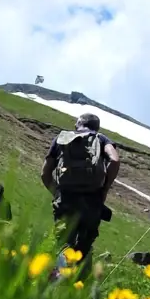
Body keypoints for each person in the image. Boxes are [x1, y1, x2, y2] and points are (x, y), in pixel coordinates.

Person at [41, 112, 120, 278]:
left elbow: (45, 173)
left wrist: (58, 194)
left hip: (65, 199)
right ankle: (77, 285)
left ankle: (54, 282)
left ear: (79, 124)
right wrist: (104, 189)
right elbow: (114, 160)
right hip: (92, 202)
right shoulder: (101, 139)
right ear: (96, 127)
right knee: (83, 248)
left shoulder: (62, 138)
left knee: (63, 244)